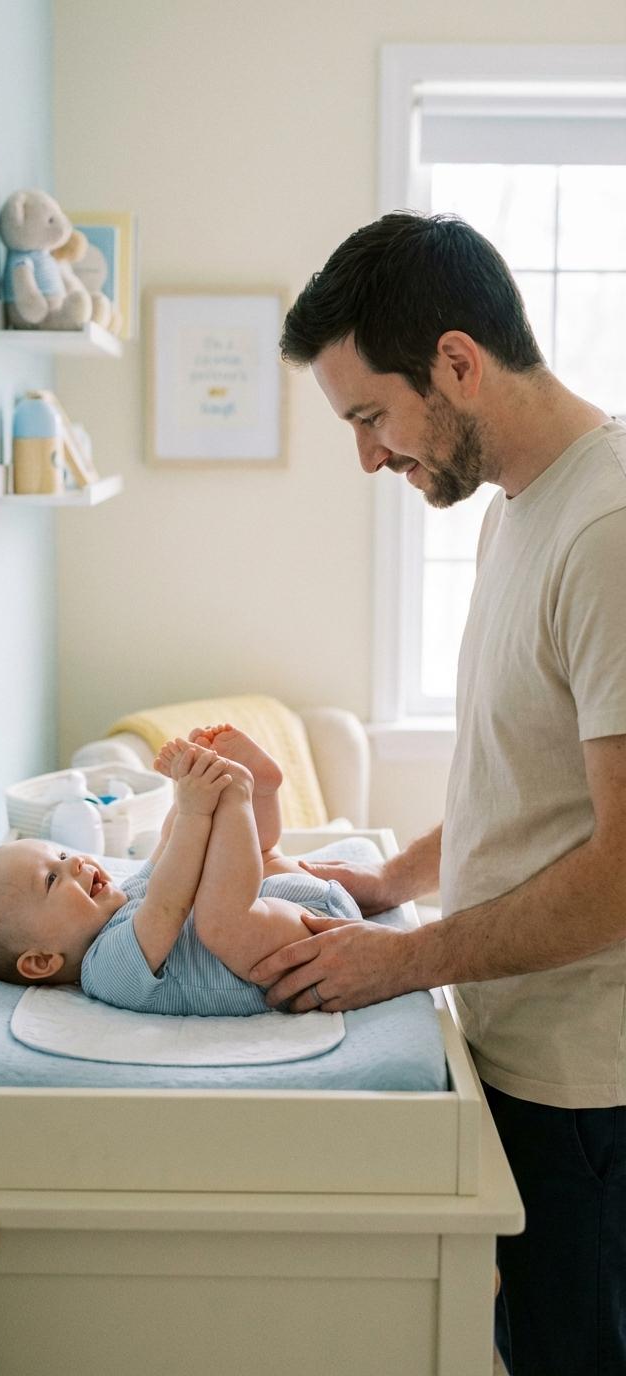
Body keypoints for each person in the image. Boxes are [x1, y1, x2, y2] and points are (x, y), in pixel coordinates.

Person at [251, 210, 626, 1375]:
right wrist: (391, 880)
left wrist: (400, 959)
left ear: (457, 363)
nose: (367, 455)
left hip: (590, 1091)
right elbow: (520, 775)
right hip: (519, 1047)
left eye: (371, 416)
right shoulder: (520, 511)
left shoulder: (609, 529)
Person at [0, 724, 362, 1016]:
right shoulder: (104, 972)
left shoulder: (122, 902)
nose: (75, 861)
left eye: (60, 856)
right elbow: (169, 902)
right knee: (220, 920)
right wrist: (203, 805)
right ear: (41, 961)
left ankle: (260, 789)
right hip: (299, 959)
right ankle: (241, 792)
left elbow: (169, 850)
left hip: (292, 908)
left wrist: (190, 786)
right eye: (52, 879)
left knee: (250, 860)